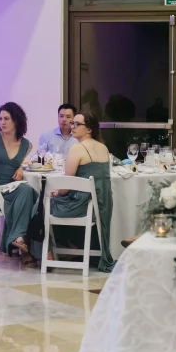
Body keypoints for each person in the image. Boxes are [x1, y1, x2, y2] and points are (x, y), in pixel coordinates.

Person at [35, 111, 115, 273]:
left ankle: (45, 253)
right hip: (102, 205)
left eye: (77, 124)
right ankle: (70, 246)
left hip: (81, 205)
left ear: (89, 130)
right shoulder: (104, 147)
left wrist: (57, 193)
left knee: (41, 203)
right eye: (73, 123)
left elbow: (66, 185)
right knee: (50, 201)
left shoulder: (77, 148)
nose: (73, 127)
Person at [0, 102, 38, 268]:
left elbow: (19, 161)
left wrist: (20, 166)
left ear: (16, 121)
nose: (2, 122)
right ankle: (23, 248)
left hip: (9, 191)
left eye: (6, 119)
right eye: (0, 119)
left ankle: (19, 240)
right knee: (25, 197)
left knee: (27, 190)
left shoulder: (27, 145)